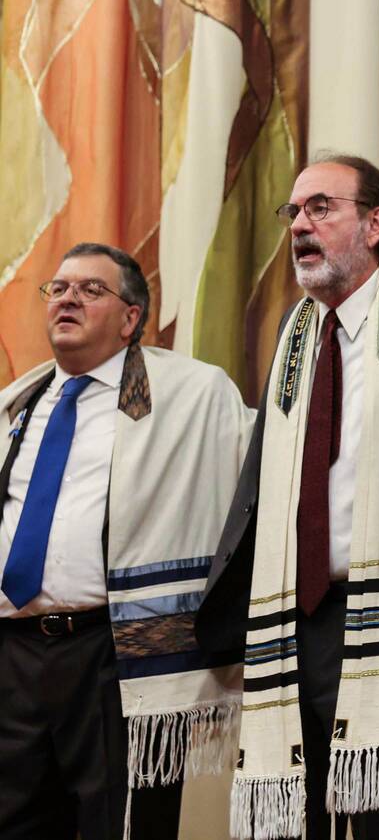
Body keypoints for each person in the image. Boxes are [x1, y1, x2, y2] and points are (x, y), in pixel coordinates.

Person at [197, 155, 379, 840]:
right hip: (296, 624)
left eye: (321, 207)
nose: (299, 225)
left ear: (375, 223)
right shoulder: (295, 337)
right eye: (294, 212)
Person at [0, 242, 251, 840]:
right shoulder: (19, 404)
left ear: (131, 317)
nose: (68, 299)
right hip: (14, 654)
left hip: (117, 653)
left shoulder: (189, 395)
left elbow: (262, 478)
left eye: (91, 290)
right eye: (58, 288)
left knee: (125, 826)